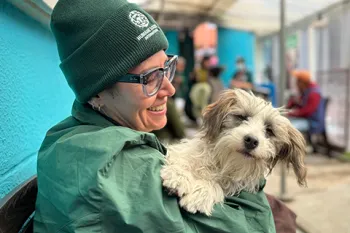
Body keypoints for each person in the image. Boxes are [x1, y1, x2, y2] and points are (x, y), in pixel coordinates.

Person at [34, 0, 277, 232]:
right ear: (99, 90)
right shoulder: (120, 167)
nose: (169, 89)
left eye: (167, 68)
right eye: (149, 77)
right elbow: (254, 226)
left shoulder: (73, 132)